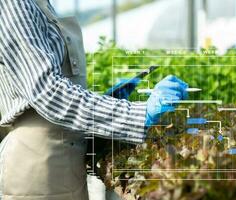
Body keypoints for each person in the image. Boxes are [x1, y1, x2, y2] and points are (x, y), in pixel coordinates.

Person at [0, 0, 188, 199]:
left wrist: (108, 100)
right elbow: (48, 93)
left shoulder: (41, 4)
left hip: (67, 164)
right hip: (36, 168)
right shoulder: (13, 4)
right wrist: (138, 114)